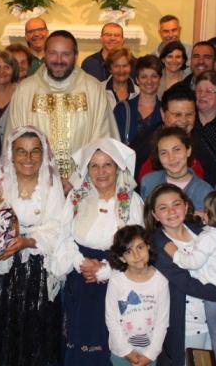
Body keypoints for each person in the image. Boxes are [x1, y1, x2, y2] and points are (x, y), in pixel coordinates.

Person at [0, 127, 65, 366]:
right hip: (1, 266)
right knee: (0, 328)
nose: (28, 158)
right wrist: (0, 239)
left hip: (36, 268)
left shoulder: (52, 181)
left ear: (43, 154)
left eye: (35, 152)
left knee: (33, 331)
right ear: (11, 154)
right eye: (21, 151)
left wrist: (27, 241)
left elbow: (58, 226)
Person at [52, 138, 144, 365]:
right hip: (80, 277)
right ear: (86, 170)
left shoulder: (131, 202)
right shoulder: (76, 197)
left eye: (107, 165)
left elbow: (137, 250)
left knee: (106, 341)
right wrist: (79, 262)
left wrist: (105, 271)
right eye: (94, 165)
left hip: (116, 280)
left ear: (118, 167)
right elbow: (62, 234)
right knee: (76, 337)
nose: (101, 171)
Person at [144, 184, 216, 365]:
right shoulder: (159, 245)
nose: (171, 211)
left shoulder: (205, 229)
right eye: (163, 207)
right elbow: (187, 284)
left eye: (176, 204)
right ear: (154, 214)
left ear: (186, 206)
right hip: (191, 324)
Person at [6, 30, 119, 181]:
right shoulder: (26, 91)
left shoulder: (93, 90)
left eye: (66, 54)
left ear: (76, 56)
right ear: (44, 54)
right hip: (36, 185)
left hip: (83, 185)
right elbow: (13, 141)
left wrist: (75, 180)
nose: (58, 60)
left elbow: (103, 139)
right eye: (53, 53)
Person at [131, 86, 216, 187]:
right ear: (163, 114)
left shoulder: (204, 148)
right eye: (177, 115)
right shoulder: (142, 144)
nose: (184, 121)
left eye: (189, 114)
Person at [106, 225, 170, 366]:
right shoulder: (116, 281)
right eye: (129, 252)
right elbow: (111, 319)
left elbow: (162, 323)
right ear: (122, 258)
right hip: (121, 353)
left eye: (140, 247)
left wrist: (150, 354)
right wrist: (126, 351)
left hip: (149, 354)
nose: (136, 255)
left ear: (148, 247)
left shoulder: (161, 282)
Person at [139, 126, 212, 211]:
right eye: (164, 153)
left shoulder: (205, 191)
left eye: (177, 149)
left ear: (188, 151)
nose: (171, 158)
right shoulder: (149, 182)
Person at [171, 41, 216, 115]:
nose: (201, 61)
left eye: (207, 57)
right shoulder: (176, 90)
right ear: (191, 60)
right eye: (196, 56)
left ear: (214, 62)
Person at [113, 54, 161, 144]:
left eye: (154, 76)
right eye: (144, 77)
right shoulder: (122, 110)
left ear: (159, 79)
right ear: (137, 80)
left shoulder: (165, 111)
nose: (149, 81)